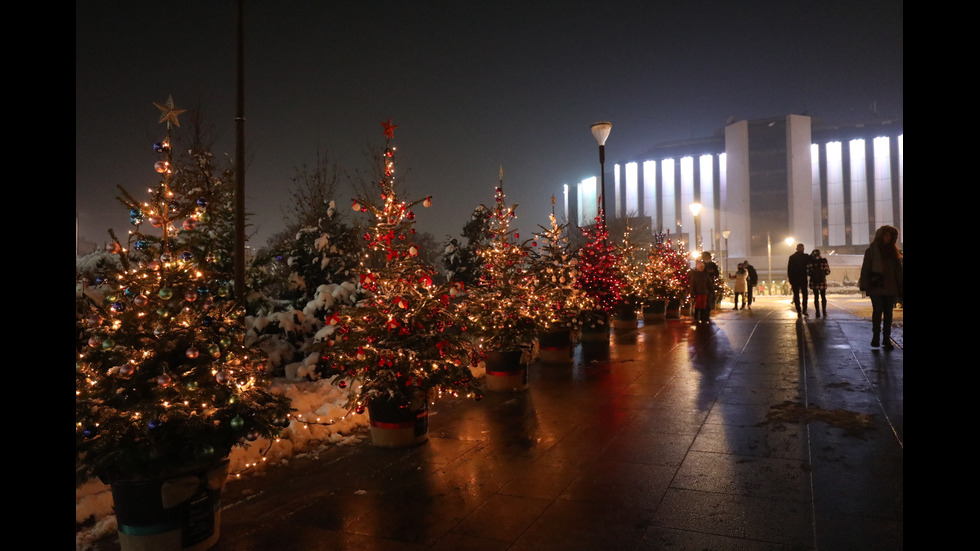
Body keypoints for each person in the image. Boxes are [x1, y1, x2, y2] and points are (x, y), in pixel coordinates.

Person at [859, 225, 903, 348]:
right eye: (886, 235)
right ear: (880, 236)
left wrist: (900, 286)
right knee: (878, 311)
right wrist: (864, 284)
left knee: (888, 313)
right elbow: (866, 269)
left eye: (890, 236)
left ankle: (886, 339)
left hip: (890, 287)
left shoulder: (894, 253)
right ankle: (876, 337)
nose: (888, 238)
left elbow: (898, 271)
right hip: (876, 286)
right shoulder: (872, 251)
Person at [787, 243, 810, 317]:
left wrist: (790, 279)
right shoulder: (806, 257)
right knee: (805, 294)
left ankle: (799, 310)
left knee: (796, 295)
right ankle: (804, 310)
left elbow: (789, 269)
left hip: (794, 279)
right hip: (803, 278)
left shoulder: (792, 257)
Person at [807, 249, 831, 318]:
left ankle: (817, 312)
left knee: (816, 297)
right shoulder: (823, 261)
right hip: (822, 281)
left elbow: (808, 271)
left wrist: (813, 274)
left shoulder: (811, 261)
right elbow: (828, 271)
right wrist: (823, 273)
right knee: (823, 297)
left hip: (814, 282)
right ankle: (824, 311)